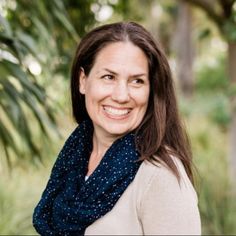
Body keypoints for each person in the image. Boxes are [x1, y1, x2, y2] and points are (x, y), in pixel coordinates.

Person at [33, 21, 201, 235]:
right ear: (83, 81)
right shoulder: (74, 158)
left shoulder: (159, 177)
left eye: (137, 81)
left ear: (152, 90)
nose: (121, 96)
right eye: (109, 77)